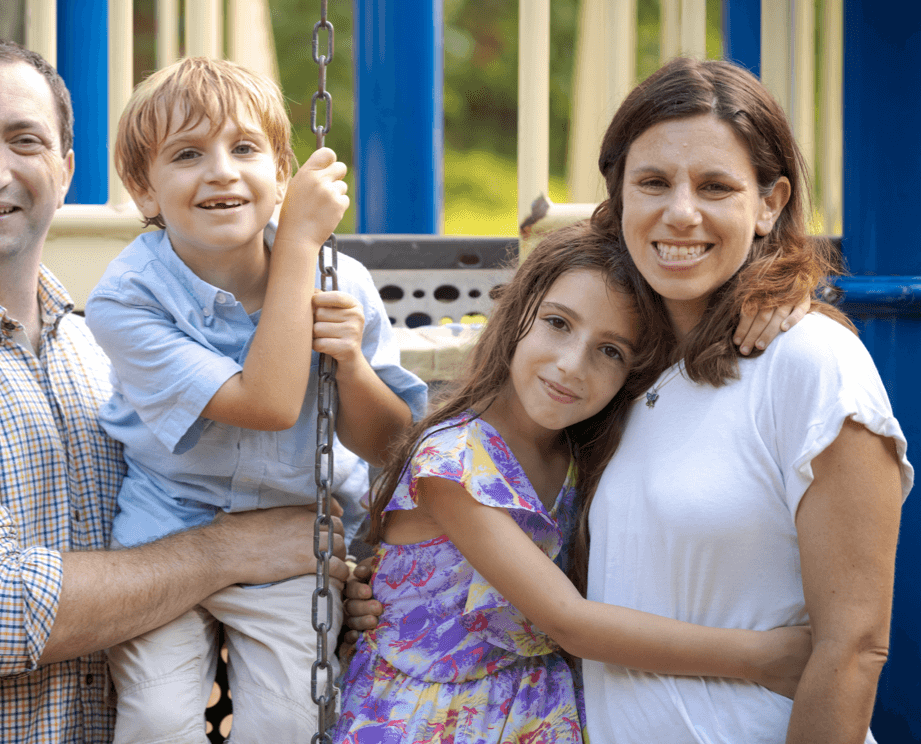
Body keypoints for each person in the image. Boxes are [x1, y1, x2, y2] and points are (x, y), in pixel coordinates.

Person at [0, 39, 347, 744]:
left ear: (65, 171)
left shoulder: (90, 351)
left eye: (24, 141)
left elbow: (173, 537)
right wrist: (233, 551)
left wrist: (321, 572)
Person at [346, 57, 912, 744]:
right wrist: (400, 589)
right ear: (618, 200)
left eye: (715, 186)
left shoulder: (809, 360)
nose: (681, 212)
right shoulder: (622, 382)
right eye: (653, 182)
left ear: (769, 202)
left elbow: (852, 650)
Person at [334, 221, 815, 743]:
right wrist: (763, 658)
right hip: (430, 718)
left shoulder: (588, 454)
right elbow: (567, 621)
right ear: (518, 312)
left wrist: (785, 292)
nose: (570, 365)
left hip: (546, 709)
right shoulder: (452, 461)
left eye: (611, 351)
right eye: (558, 324)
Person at [83, 57, 427, 743]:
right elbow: (265, 404)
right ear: (143, 189)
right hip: (167, 531)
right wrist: (299, 241)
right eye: (187, 154)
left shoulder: (344, 282)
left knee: (289, 722)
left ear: (281, 177)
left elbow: (394, 447)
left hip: (296, 536)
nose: (220, 171)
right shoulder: (126, 299)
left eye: (244, 149)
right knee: (154, 720)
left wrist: (351, 365)